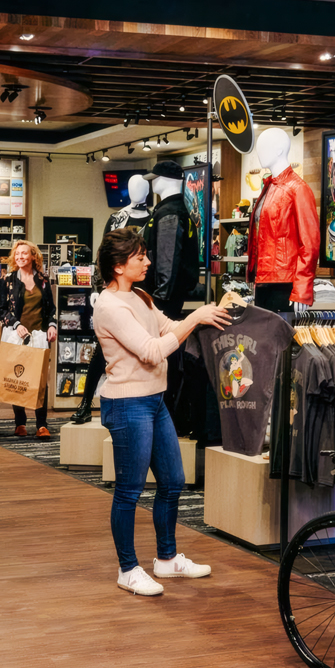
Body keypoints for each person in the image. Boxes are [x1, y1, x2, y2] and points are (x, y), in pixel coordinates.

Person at [91, 228, 230, 596]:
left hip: (153, 400)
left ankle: (166, 560)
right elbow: (152, 350)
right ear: (119, 266)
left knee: (172, 481)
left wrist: (207, 314)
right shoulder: (109, 306)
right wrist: (195, 318)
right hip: (126, 404)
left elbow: (167, 327)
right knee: (129, 491)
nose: (148, 261)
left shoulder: (138, 295)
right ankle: (127, 569)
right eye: (140, 257)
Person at [3, 239, 54, 437]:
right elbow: (2, 310)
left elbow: (51, 309)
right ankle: (20, 423)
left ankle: (41, 424)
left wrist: (52, 324)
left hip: (39, 336)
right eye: (17, 254)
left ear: (33, 256)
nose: (20, 257)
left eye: (24, 253)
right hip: (17, 336)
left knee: (40, 380)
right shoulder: (8, 279)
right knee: (18, 379)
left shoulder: (42, 279)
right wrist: (16, 324)